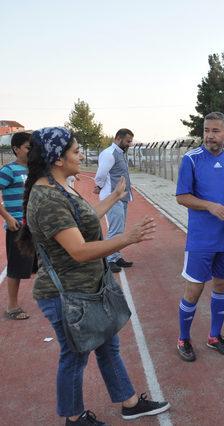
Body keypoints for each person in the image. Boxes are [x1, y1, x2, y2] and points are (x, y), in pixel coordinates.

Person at [20, 127, 169, 424]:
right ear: (57, 159)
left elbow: (84, 221)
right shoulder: (47, 197)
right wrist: (128, 239)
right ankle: (74, 419)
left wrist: (113, 197)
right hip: (68, 295)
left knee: (108, 346)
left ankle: (128, 402)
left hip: (88, 288)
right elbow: (79, 250)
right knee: (75, 357)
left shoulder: (60, 186)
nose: (82, 156)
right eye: (76, 151)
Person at [175, 112, 224, 361]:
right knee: (194, 289)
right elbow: (181, 197)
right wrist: (209, 206)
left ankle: (214, 337)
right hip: (201, 239)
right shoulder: (191, 160)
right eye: (206, 130)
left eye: (216, 131)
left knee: (221, 286)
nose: (209, 136)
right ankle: (183, 338)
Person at [0, 132, 36, 320]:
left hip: (34, 226)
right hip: (17, 228)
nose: (31, 151)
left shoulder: (34, 169)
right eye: (28, 148)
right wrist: (7, 217)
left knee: (38, 263)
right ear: (16, 149)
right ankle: (12, 307)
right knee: (16, 267)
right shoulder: (9, 170)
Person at [94, 129, 134, 273]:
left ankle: (116, 257)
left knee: (120, 229)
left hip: (122, 198)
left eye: (131, 141)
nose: (130, 144)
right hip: (112, 198)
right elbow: (100, 175)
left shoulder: (121, 153)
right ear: (118, 138)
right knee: (115, 229)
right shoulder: (109, 154)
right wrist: (99, 186)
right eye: (128, 141)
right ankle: (109, 259)